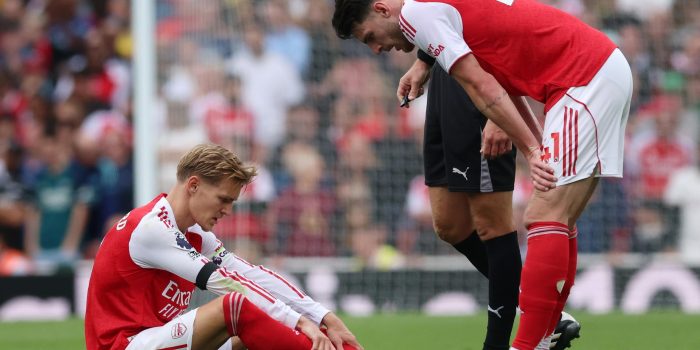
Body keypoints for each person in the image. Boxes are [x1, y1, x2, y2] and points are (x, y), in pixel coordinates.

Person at [331, 1, 633, 349]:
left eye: (370, 36)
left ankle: (525, 343)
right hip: (587, 74)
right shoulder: (430, 18)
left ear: (382, 10)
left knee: (542, 214)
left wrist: (532, 149)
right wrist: (532, 142)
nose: (376, 49)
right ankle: (544, 334)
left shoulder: (416, 16)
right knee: (554, 217)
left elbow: (483, 87)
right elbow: (498, 75)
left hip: (583, 77)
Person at [85, 144, 362, 350]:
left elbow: (249, 273)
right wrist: (299, 322)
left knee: (258, 333)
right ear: (193, 185)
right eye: (223, 199)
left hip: (158, 338)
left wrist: (322, 315)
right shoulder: (153, 230)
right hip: (124, 345)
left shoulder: (192, 232)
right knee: (234, 306)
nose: (228, 211)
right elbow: (227, 284)